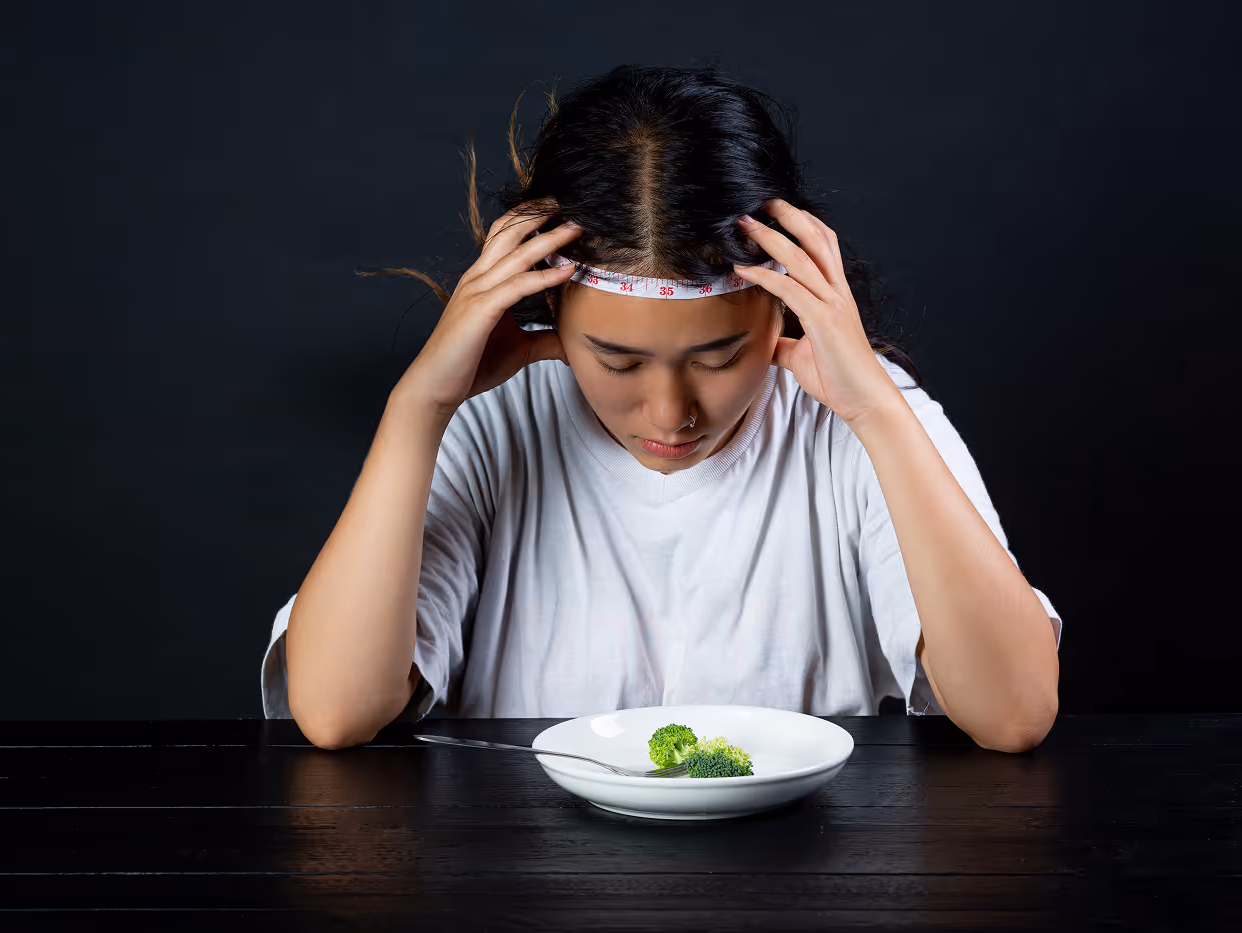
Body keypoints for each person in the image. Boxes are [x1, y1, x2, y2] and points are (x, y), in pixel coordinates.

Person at [262, 66, 1062, 752]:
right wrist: (417, 408)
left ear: (783, 310)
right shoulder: (492, 417)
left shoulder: (856, 415)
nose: (670, 410)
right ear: (551, 310)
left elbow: (1014, 714)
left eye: (718, 356)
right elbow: (338, 711)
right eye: (616, 359)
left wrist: (882, 416)